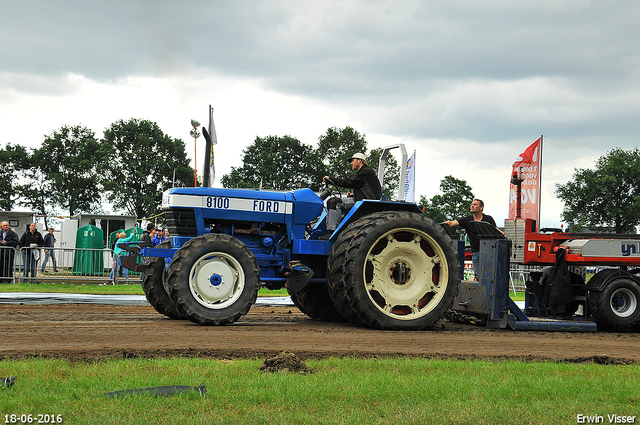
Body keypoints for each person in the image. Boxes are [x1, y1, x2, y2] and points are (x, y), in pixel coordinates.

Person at [322, 152, 382, 231]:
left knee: (335, 202)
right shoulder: (365, 172)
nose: (351, 163)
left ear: (359, 161)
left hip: (365, 203)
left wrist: (331, 179)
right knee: (330, 201)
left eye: (352, 160)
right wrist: (354, 195)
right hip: (360, 200)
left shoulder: (366, 172)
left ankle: (333, 231)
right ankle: (331, 229)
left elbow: (349, 182)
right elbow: (367, 189)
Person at [446, 199, 502, 280]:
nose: (472, 206)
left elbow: (496, 231)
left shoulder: (488, 219)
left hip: (489, 252)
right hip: (475, 251)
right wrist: (439, 225)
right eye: (472, 204)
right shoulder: (467, 220)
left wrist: (503, 234)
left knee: (489, 274)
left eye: (475, 204)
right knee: (478, 275)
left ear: (481, 208)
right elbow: (452, 223)